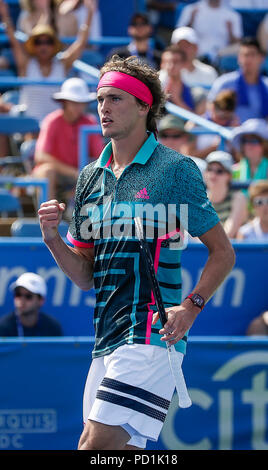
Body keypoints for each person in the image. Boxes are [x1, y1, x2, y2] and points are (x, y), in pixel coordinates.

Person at [38, 55, 235, 450]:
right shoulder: (90, 176)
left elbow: (223, 253)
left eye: (115, 99)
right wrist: (52, 238)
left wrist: (192, 306)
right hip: (106, 339)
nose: (104, 108)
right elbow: (84, 276)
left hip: (150, 335)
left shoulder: (176, 170)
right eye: (100, 99)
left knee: (93, 448)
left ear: (145, 106)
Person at [0, 0, 96, 123]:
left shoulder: (62, 64)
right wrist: (5, 15)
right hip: (30, 131)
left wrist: (90, 14)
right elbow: (13, 40)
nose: (43, 46)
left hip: (56, 129)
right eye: (38, 42)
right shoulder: (26, 64)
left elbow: (81, 43)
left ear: (53, 45)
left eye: (48, 42)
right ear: (34, 46)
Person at [33, 77, 104, 201]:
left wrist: (84, 175)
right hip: (63, 173)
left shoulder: (90, 122)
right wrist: (73, 172)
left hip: (80, 173)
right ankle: (48, 217)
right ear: (64, 102)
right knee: (46, 171)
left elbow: (100, 156)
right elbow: (40, 156)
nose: (79, 107)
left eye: (81, 102)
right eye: (74, 102)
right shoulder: (52, 121)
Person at [208, 37, 268, 123]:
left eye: (252, 54)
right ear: (239, 58)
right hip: (229, 133)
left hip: (260, 134)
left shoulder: (266, 86)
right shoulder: (225, 83)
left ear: (261, 58)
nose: (248, 59)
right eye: (244, 55)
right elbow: (211, 109)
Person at [176, 0, 243, 64]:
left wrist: (230, 31)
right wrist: (191, 21)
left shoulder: (232, 15)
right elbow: (179, 35)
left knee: (242, 48)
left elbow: (237, 42)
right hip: (196, 52)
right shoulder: (191, 9)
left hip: (221, 53)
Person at [0, 272, 63, 336]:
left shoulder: (53, 328)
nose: (22, 300)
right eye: (18, 295)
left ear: (41, 300)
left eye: (28, 296)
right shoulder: (2, 327)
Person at [204, 150, 248, 238]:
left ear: (229, 176)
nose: (213, 174)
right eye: (209, 169)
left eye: (219, 171)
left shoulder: (238, 198)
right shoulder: (199, 199)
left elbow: (228, 234)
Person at [190, 89, 239, 160]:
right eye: (221, 117)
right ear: (212, 108)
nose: (223, 122)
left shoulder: (234, 126)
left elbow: (239, 160)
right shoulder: (195, 124)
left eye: (227, 118)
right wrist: (214, 147)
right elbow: (188, 155)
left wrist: (235, 139)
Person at [231, 118, 268, 183]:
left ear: (264, 145)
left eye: (254, 141)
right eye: (245, 141)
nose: (248, 145)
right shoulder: (233, 171)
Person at [160, 44, 195, 111]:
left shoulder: (189, 87)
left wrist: (176, 99)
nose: (171, 66)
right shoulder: (156, 83)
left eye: (175, 62)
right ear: (161, 64)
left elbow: (193, 116)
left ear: (184, 64)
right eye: (167, 62)